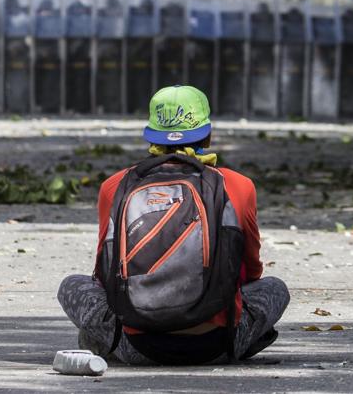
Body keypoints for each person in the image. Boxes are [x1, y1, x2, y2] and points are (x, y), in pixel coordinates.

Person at [58, 85, 289, 366]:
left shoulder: (115, 186)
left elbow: (103, 275)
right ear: (207, 134)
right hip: (216, 345)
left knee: (71, 285)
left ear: (150, 136)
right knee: (275, 287)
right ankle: (246, 342)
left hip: (137, 347)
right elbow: (252, 271)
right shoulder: (238, 185)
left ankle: (101, 344)